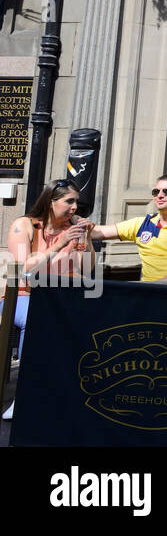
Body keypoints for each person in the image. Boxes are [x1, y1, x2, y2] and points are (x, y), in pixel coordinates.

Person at [3, 179, 94, 420]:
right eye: (69, 201)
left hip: (59, 297)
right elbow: (25, 269)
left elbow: (87, 269)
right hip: (22, 295)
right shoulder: (25, 225)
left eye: (77, 202)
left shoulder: (73, 228)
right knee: (37, 319)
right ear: (50, 202)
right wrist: (61, 243)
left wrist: (87, 239)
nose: (75, 207)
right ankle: (24, 395)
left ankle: (66, 393)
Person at [83, 175, 167, 282]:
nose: (159, 196)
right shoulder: (143, 223)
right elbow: (96, 232)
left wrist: (157, 286)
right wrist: (70, 218)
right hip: (148, 292)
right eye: (156, 192)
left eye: (166, 192)